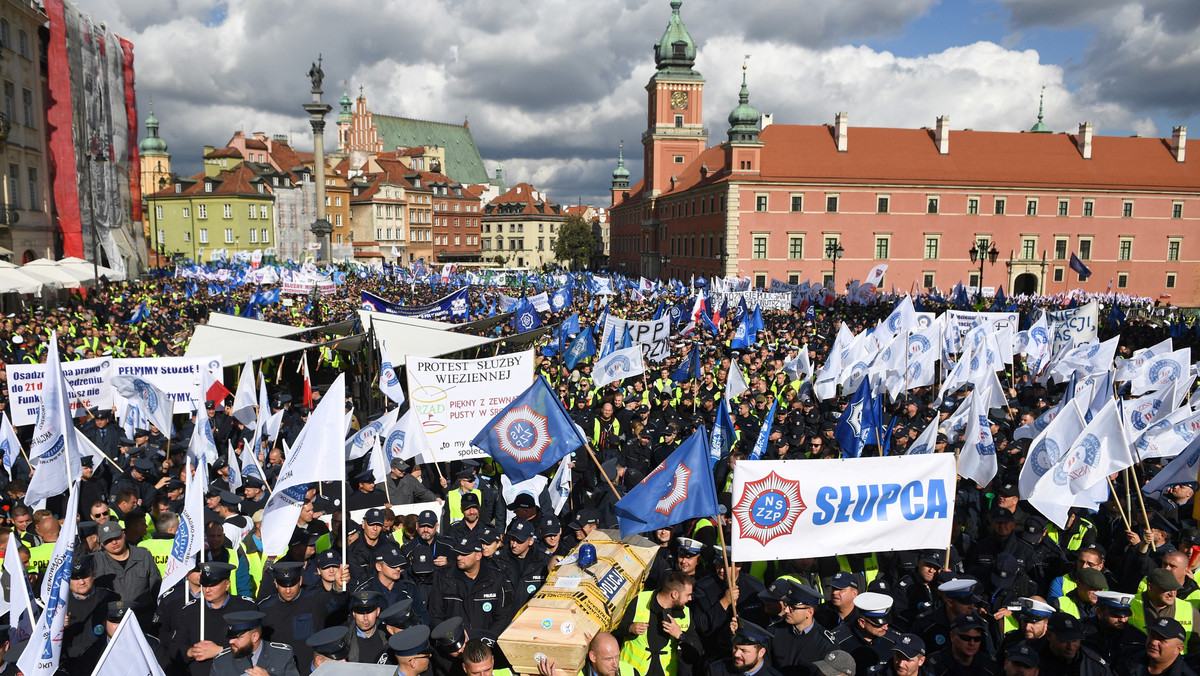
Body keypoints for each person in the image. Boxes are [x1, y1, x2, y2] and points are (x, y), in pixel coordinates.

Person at [617, 571, 702, 676]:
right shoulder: (639, 600)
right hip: (631, 671)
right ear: (674, 594)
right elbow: (615, 628)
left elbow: (697, 652)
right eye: (688, 595)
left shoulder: (686, 613)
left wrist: (680, 635)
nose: (690, 599)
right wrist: (630, 628)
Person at [90, 520, 162, 626]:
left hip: (143, 619)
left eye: (116, 537)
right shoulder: (95, 560)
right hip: (112, 622)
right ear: (102, 544)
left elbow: (157, 588)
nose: (114, 542)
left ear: (123, 534)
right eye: (108, 540)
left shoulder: (143, 555)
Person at [760, 579, 834, 673]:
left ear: (809, 612)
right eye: (786, 605)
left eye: (793, 608)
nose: (786, 610)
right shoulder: (774, 631)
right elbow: (764, 667)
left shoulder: (825, 643)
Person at [828, 592, 902, 675]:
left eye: (886, 623)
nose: (886, 628)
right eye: (879, 625)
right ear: (862, 623)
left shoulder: (895, 640)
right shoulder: (837, 640)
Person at [210, 610, 300, 676]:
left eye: (238, 637)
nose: (231, 641)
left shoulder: (282, 655)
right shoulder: (222, 662)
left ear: (255, 637)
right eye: (231, 637)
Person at [923, 612, 999, 675]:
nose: (972, 643)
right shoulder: (934, 665)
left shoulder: (989, 666)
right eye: (966, 638)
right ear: (952, 636)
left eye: (977, 639)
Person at [1116, 617, 1194, 676]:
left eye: (1162, 640)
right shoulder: (1127, 658)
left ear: (1178, 649)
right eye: (1152, 636)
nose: (1153, 642)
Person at [707, 620, 781, 676]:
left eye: (744, 650)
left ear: (761, 652)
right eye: (735, 647)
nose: (736, 654)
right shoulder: (717, 671)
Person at [538, 632, 621, 676]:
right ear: (593, 657)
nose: (615, 665)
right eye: (608, 659)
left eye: (617, 657)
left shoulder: (630, 671)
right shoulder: (576, 673)